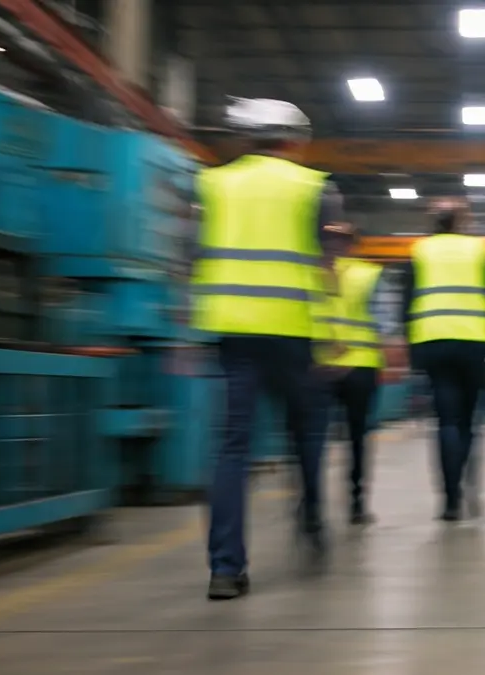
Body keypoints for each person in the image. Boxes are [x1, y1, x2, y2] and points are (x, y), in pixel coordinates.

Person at [191, 97, 346, 600]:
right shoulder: (315, 187)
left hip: (231, 332)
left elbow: (190, 257)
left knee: (232, 447)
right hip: (293, 331)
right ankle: (313, 525)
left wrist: (182, 334)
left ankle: (225, 568)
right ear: (293, 139)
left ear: (245, 137)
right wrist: (333, 332)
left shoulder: (210, 185)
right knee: (304, 436)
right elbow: (327, 268)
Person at [399, 198, 485, 521]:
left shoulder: (419, 250)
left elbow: (406, 303)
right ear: (462, 221)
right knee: (469, 422)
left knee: (446, 421)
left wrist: (410, 349)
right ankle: (469, 486)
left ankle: (450, 499)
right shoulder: (479, 249)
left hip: (432, 342)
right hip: (475, 342)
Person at [314, 223, 402, 526]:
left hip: (317, 366)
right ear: (354, 244)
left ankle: (312, 507)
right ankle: (356, 503)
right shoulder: (370, 274)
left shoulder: (307, 272)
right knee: (357, 438)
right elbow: (386, 322)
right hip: (361, 367)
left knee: (313, 438)